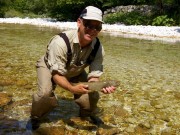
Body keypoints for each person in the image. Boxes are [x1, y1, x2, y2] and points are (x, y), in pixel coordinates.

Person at [28, 6, 116, 130]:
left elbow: (94, 77)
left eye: (98, 27)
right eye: (89, 25)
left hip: (75, 70)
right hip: (50, 67)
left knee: (93, 96)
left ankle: (86, 115)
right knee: (44, 94)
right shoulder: (60, 42)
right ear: (79, 22)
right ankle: (36, 117)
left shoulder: (98, 48)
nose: (93, 30)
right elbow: (57, 75)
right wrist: (72, 88)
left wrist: (100, 87)